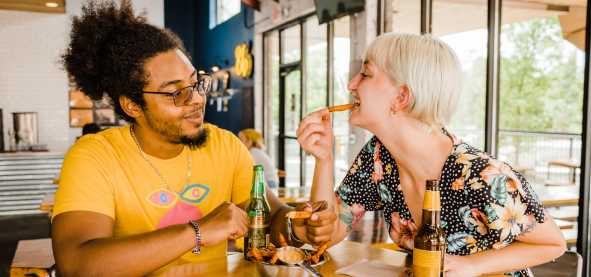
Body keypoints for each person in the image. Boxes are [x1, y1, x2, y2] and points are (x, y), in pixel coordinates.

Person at [52, 1, 336, 276]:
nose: (198, 99)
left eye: (195, 83)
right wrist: (197, 231)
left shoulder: (224, 145)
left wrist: (298, 227)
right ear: (132, 106)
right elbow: (76, 264)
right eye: (176, 92)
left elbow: (271, 218)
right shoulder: (95, 156)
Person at [296, 33, 566, 277]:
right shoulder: (378, 158)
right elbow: (325, 236)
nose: (352, 85)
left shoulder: (482, 177)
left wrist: (473, 265)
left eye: (365, 74)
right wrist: (324, 159)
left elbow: (553, 243)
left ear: (401, 97)